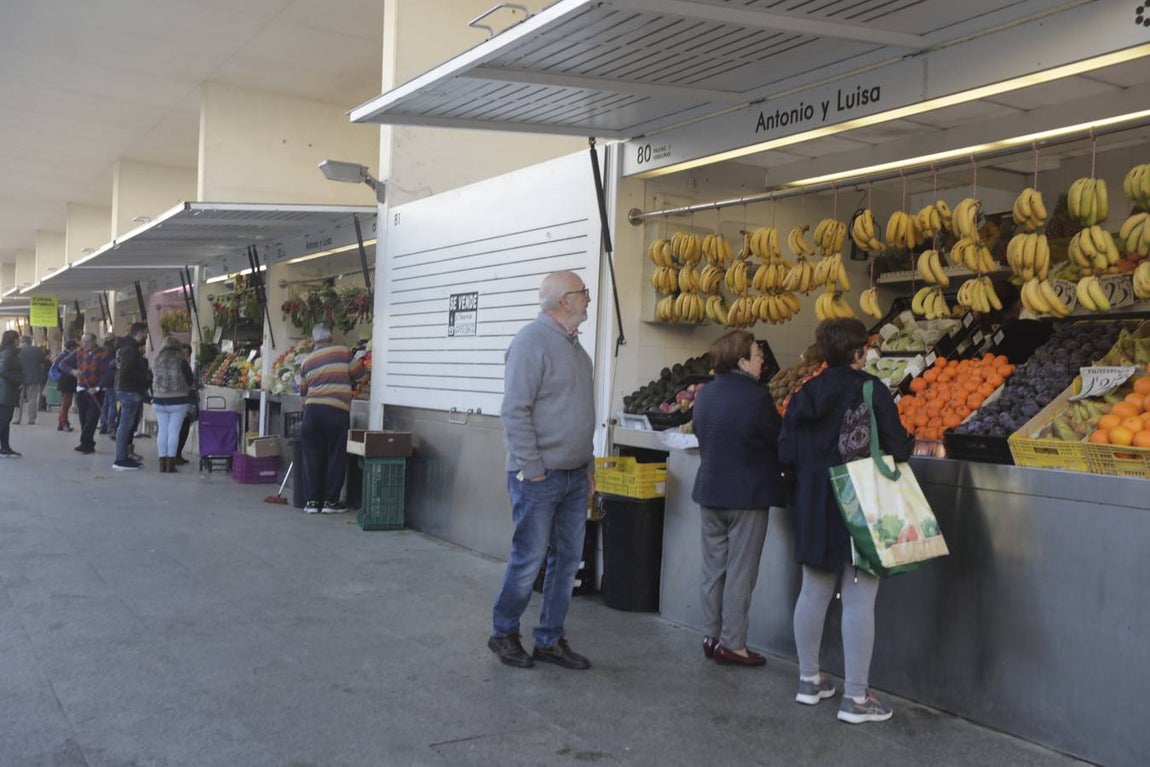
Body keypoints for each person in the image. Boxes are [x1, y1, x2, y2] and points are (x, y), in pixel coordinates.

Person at [778, 318, 913, 725]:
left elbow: (784, 452)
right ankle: (855, 698)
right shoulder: (871, 390)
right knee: (859, 598)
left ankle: (809, 681)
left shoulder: (804, 394)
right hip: (858, 503)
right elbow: (897, 446)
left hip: (813, 502)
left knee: (813, 591)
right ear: (859, 351)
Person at [488, 270, 595, 671]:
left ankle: (549, 639)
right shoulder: (531, 342)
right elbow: (514, 410)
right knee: (529, 558)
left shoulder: (576, 351)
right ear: (565, 300)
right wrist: (532, 468)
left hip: (571, 475)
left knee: (567, 561)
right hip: (539, 477)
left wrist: (587, 465)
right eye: (582, 292)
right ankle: (503, 633)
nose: (588, 298)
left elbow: (580, 415)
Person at [690, 331, 785, 667]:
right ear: (742, 361)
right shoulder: (756, 398)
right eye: (758, 356)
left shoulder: (705, 394)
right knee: (741, 573)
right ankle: (733, 644)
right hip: (747, 495)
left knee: (713, 569)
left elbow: (701, 432)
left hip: (710, 491)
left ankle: (710, 636)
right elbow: (779, 439)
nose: (762, 362)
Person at [298, 324, 364, 513]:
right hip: (336, 411)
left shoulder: (306, 361)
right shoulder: (343, 352)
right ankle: (330, 502)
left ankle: (311, 502)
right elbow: (360, 374)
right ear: (331, 336)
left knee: (312, 457)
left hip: (312, 412)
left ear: (313, 339)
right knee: (336, 456)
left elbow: (303, 395)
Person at [59, 333, 111, 454]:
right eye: (83, 341)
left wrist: (98, 387)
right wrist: (73, 371)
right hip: (82, 389)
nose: (85, 344)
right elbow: (62, 364)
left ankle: (86, 442)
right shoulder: (78, 352)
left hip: (96, 391)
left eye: (87, 341)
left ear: (94, 342)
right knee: (83, 418)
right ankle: (87, 443)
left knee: (92, 418)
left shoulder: (103, 354)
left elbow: (108, 373)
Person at [150, 336, 196, 473]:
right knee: (173, 431)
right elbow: (190, 379)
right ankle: (171, 463)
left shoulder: (156, 359)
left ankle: (162, 462)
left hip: (158, 399)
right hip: (178, 400)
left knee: (162, 430)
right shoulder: (181, 360)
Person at [113, 323, 151, 471]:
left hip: (124, 389)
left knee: (126, 425)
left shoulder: (123, 347)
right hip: (129, 390)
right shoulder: (131, 349)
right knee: (125, 425)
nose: (146, 338)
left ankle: (123, 455)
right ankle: (121, 458)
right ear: (139, 333)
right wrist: (144, 375)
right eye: (145, 335)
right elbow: (126, 371)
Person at [13, 335, 48, 426]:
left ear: (21, 341)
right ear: (30, 341)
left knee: (18, 399)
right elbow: (44, 362)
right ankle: (31, 419)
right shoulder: (37, 350)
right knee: (32, 399)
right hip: (34, 377)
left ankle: (17, 419)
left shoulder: (17, 351)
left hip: (19, 378)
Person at [0, 330, 24, 457]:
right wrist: (18, 378)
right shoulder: (9, 353)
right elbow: (2, 370)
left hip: (7, 391)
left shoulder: (10, 352)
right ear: (14, 340)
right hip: (6, 392)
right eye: (17, 339)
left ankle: (5, 446)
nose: (19, 341)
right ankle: (4, 446)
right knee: (3, 420)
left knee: (6, 420)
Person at [174, 343, 198, 466]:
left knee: (184, 426)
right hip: (182, 399)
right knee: (181, 428)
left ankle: (177, 454)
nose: (184, 355)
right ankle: (175, 454)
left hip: (186, 400)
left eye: (186, 353)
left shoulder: (184, 365)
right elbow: (190, 382)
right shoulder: (181, 365)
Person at [53, 340, 80, 431]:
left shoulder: (62, 356)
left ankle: (61, 423)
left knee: (65, 404)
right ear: (72, 347)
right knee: (66, 404)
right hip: (67, 382)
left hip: (65, 382)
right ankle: (64, 423)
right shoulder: (65, 357)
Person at [97, 332, 118, 435]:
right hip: (111, 380)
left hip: (102, 379)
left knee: (104, 404)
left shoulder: (100, 350)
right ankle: (111, 425)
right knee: (112, 403)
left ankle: (103, 424)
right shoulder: (113, 351)